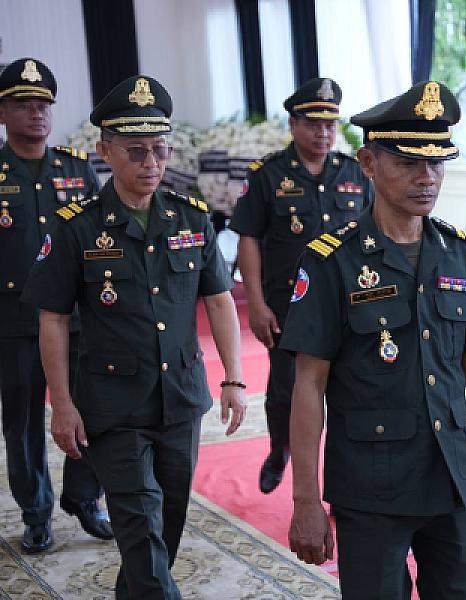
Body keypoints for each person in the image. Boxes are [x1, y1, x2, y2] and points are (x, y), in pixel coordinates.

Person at [282, 81, 466, 598]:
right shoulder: (332, 262)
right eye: (408, 163)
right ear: (368, 163)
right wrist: (305, 499)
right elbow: (309, 384)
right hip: (371, 488)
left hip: (452, 476)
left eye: (436, 163)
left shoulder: (458, 253)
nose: (426, 177)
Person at [22, 75, 247, 598]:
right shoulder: (77, 228)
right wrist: (62, 404)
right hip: (113, 404)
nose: (151, 162)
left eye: (160, 150)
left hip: (181, 399)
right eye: (137, 151)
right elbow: (52, 318)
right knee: (142, 529)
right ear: (105, 151)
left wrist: (234, 378)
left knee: (165, 527)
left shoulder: (191, 220)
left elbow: (218, 300)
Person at [229, 77, 371, 494]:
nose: (322, 133)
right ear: (293, 124)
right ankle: (280, 450)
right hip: (289, 305)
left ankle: (345, 482)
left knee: (351, 392)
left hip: (347, 304)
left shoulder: (354, 173)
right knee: (285, 392)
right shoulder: (267, 175)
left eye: (329, 124)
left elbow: (372, 235)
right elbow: (248, 239)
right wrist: (255, 303)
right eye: (312, 124)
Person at [0, 57, 113, 553]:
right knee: (23, 421)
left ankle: (86, 498)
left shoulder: (76, 168)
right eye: (23, 104)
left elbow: (101, 238)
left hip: (77, 320)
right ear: (2, 113)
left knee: (90, 408)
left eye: (43, 104)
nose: (37, 113)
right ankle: (36, 511)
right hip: (15, 320)